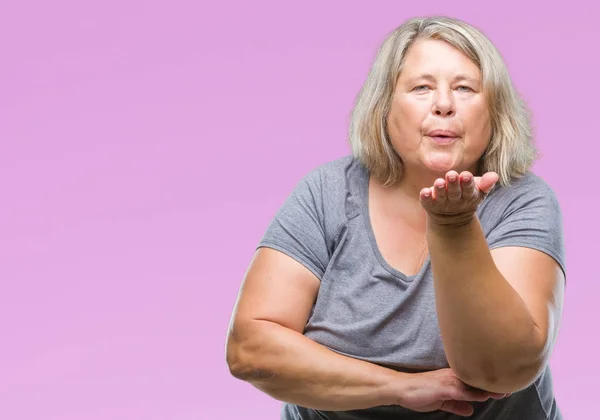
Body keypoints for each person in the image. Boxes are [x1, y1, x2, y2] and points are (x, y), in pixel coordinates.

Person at [225, 15, 566, 420]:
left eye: (465, 88)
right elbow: (250, 349)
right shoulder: (328, 191)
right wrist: (402, 389)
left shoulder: (524, 201)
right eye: (422, 88)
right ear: (385, 107)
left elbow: (500, 370)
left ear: (494, 112)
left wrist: (454, 226)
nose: (443, 104)